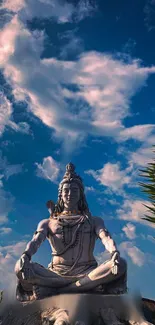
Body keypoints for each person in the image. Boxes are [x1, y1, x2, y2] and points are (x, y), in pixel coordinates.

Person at [15, 163, 127, 301]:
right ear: (60, 195)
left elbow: (105, 237)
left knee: (120, 263)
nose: (70, 194)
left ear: (81, 194)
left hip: (87, 272)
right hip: (56, 275)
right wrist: (26, 256)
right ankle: (83, 287)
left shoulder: (94, 220)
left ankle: (61, 290)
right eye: (66, 191)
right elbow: (35, 242)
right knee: (19, 268)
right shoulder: (48, 222)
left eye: (74, 191)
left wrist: (114, 252)